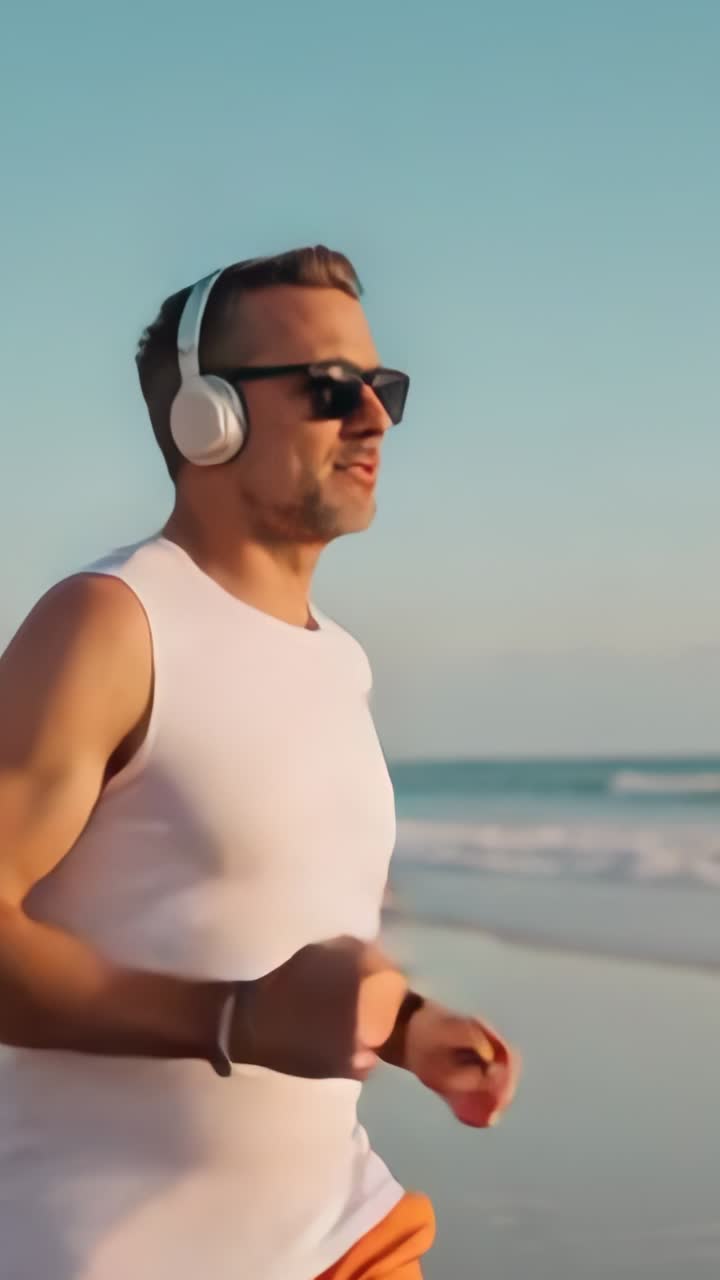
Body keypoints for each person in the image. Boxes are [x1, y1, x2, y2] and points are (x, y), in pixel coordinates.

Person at [0, 246, 519, 1280]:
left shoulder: (340, 661)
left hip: (344, 1237)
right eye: (330, 387)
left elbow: (267, 928)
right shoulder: (111, 624)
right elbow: (252, 997)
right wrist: (235, 1018)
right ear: (209, 417)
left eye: (383, 387)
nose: (374, 419)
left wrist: (404, 1025)